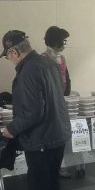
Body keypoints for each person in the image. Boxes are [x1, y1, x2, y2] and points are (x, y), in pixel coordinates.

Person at [0, 30, 71, 190]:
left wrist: (11, 129)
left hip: (41, 137)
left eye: (8, 56)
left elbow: (33, 112)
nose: (10, 61)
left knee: (39, 184)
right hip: (57, 133)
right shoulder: (48, 63)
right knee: (52, 181)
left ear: (14, 52)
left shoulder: (28, 70)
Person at [42, 26, 74, 179]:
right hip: (48, 104)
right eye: (63, 41)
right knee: (51, 136)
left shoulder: (62, 58)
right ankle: (50, 167)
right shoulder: (43, 58)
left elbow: (66, 78)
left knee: (60, 135)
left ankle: (58, 166)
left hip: (60, 101)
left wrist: (66, 94)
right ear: (55, 41)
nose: (65, 44)